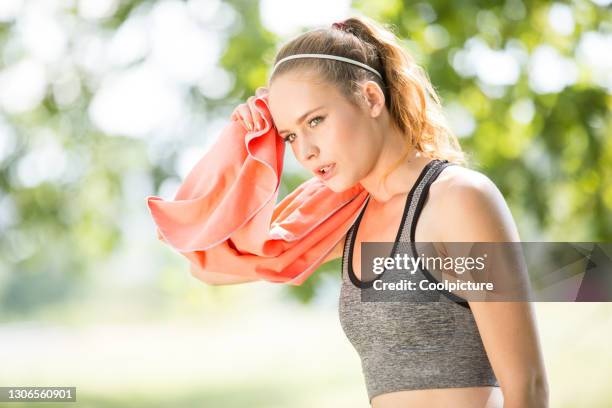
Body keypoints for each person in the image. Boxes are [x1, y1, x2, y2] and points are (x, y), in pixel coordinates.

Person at [230, 15, 548, 408]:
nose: (305, 151)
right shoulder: (348, 219)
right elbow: (215, 265)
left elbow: (528, 386)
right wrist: (246, 141)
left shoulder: (457, 200)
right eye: (291, 135)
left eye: (316, 120)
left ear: (371, 98)